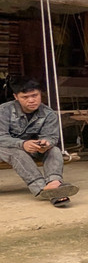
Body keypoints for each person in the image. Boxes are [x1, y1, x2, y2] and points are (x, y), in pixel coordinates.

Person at [0, 78, 79, 206]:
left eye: (35, 95)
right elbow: (1, 137)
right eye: (25, 97)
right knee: (16, 153)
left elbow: (51, 137)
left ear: (40, 94)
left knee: (54, 150)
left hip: (31, 149)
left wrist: (45, 143)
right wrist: (22, 144)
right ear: (16, 97)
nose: (31, 100)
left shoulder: (48, 114)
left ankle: (54, 183)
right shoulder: (3, 111)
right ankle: (42, 188)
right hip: (4, 149)